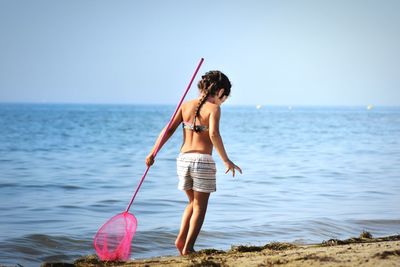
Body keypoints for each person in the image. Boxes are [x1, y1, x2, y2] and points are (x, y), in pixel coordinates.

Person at [145, 70, 242, 255]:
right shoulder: (214, 109)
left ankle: (181, 239)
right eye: (225, 97)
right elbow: (213, 134)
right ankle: (188, 248)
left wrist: (153, 152)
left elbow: (168, 130)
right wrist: (226, 160)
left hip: (182, 160)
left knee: (192, 203)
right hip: (202, 161)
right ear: (220, 91)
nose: (224, 101)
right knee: (200, 207)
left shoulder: (185, 105)